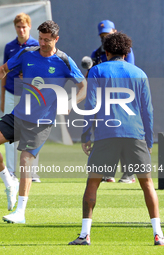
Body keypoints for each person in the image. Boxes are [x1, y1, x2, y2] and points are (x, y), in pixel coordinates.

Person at [0, 20, 86, 223]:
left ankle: (20, 212)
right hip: (19, 115)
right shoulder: (27, 53)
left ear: (56, 39)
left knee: (25, 161)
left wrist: (71, 102)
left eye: (47, 40)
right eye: (41, 38)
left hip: (42, 122)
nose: (43, 43)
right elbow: (3, 69)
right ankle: (9, 183)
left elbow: (83, 86)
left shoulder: (64, 61)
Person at [69, 32, 164, 245]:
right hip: (135, 134)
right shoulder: (139, 73)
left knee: (93, 182)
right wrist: (148, 141)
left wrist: (86, 135)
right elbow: (148, 111)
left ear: (107, 51)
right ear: (127, 51)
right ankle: (158, 234)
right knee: (147, 183)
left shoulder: (96, 71)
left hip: (106, 134)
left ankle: (85, 235)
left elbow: (90, 105)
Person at [90, 19, 135, 183]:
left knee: (124, 134)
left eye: (108, 34)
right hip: (103, 101)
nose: (105, 37)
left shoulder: (125, 51)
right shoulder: (96, 53)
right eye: (102, 35)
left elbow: (128, 73)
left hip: (123, 98)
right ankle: (107, 172)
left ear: (114, 32)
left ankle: (129, 173)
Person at [1, 13, 40, 182]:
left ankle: (32, 173)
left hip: (30, 95)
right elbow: (4, 71)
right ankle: (10, 171)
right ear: (15, 27)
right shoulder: (9, 47)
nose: (21, 30)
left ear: (29, 27)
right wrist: (3, 97)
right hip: (11, 92)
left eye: (24, 26)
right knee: (8, 133)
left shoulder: (37, 46)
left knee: (31, 132)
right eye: (18, 27)